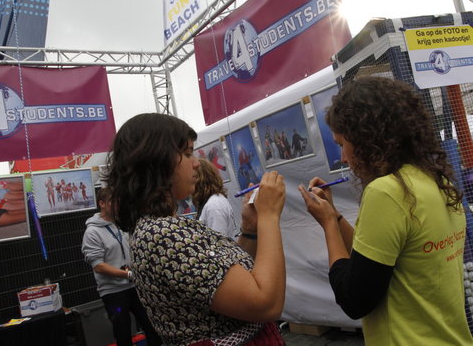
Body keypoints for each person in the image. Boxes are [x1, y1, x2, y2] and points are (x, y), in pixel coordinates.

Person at [298, 76, 473, 345]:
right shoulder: (436, 181)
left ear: (366, 138)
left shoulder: (387, 192)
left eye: (342, 143)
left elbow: (354, 299)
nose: (344, 157)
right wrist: (334, 214)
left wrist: (328, 225)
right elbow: (373, 260)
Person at [107, 113, 286, 346]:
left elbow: (225, 278)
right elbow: (267, 304)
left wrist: (251, 230)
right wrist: (270, 216)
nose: (196, 163)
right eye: (187, 153)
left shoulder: (165, 227)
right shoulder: (162, 234)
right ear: (157, 161)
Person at [81, 187, 162, 346]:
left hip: (135, 286)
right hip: (113, 292)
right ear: (102, 204)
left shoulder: (123, 224)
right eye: (113, 201)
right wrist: (127, 275)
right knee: (123, 332)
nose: (117, 205)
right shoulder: (92, 233)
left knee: (152, 326)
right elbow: (98, 266)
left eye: (119, 201)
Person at [192, 158, 239, 239]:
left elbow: (219, 244)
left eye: (193, 176)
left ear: (199, 178)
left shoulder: (213, 205)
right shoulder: (212, 201)